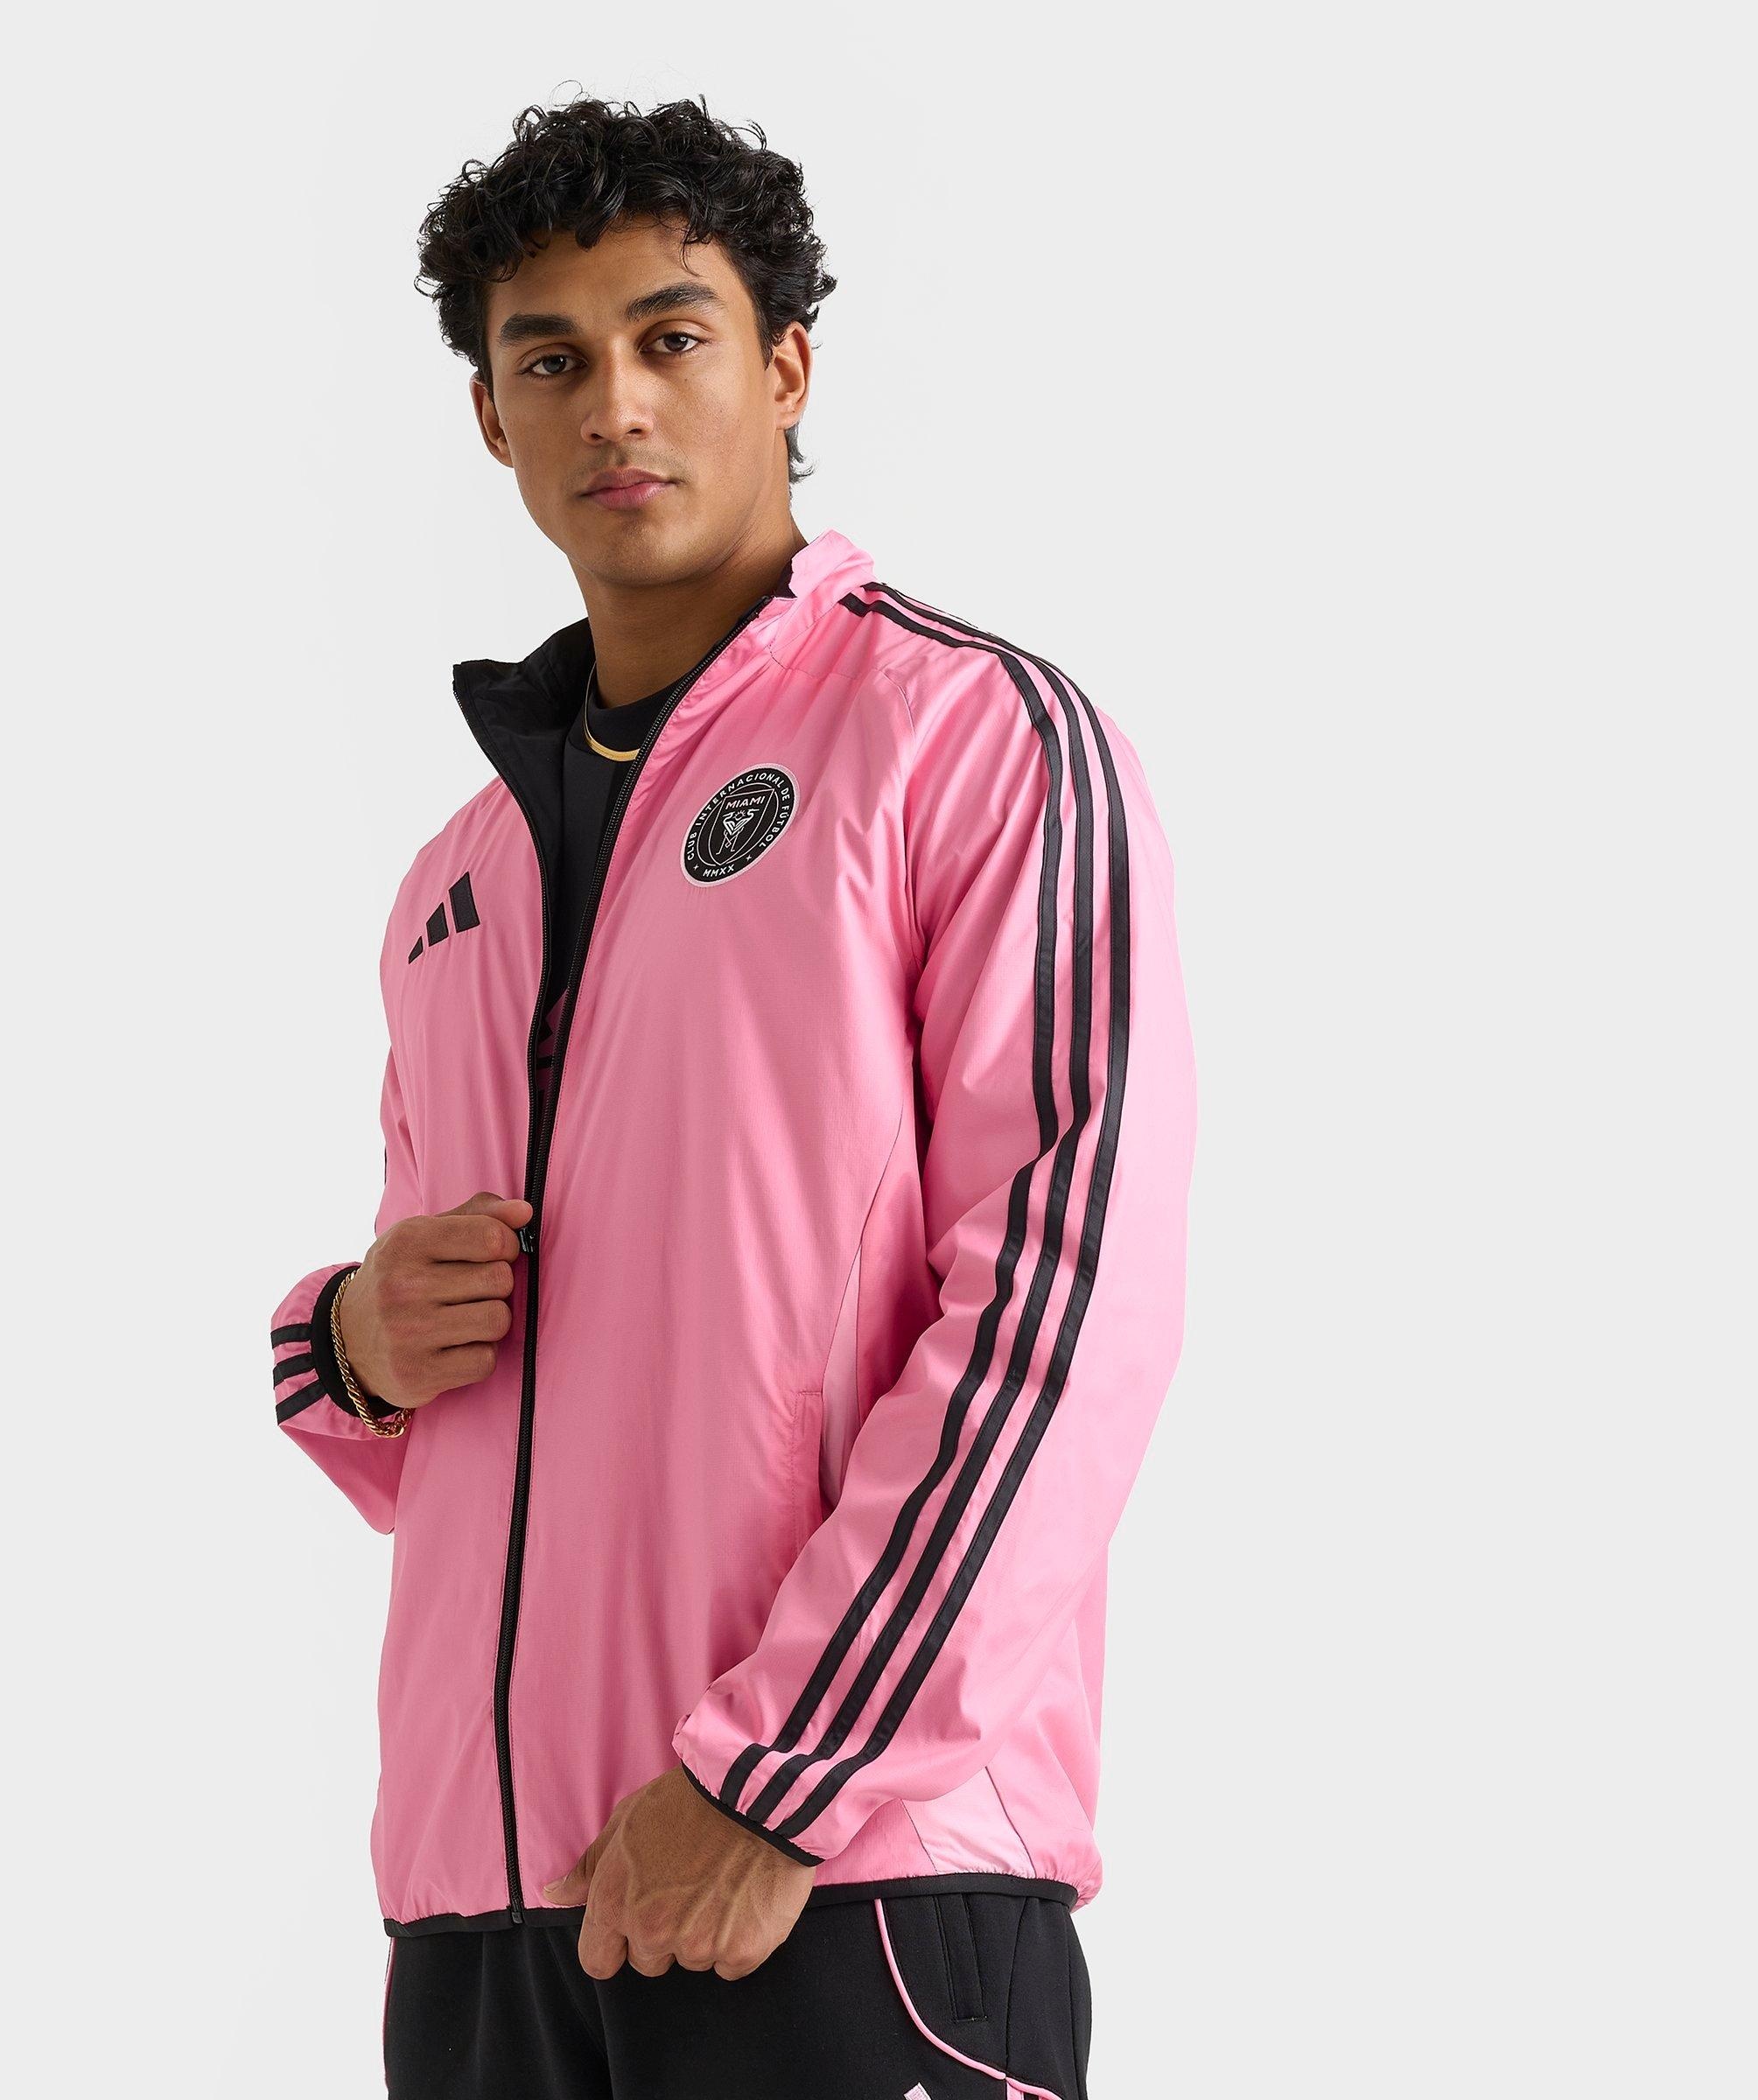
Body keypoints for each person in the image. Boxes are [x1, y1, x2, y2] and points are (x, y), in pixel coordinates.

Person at [268, 94, 1197, 2099]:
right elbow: (519, 1424)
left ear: (784, 366)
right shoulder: (459, 880)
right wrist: (353, 1343)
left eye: (670, 336)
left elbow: (1064, 1309)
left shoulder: (968, 742)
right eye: (549, 359)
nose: (613, 404)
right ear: (492, 417)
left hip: (838, 1886)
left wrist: (779, 1776)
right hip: (488, 1922)